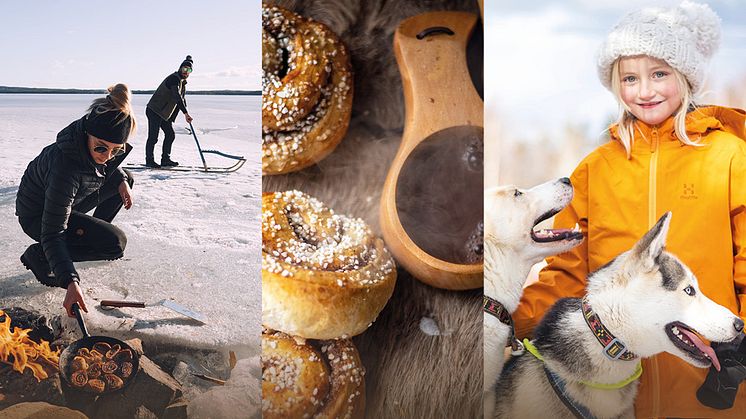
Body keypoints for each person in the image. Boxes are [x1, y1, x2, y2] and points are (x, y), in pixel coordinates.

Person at [512, 2, 746, 417]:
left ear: (685, 76)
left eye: (659, 74)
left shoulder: (729, 157)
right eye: (629, 78)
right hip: (611, 387)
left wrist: (739, 347)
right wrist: (507, 323)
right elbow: (566, 272)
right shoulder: (596, 169)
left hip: (706, 378)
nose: (645, 90)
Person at [16, 84, 136, 318]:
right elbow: (53, 231)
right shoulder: (65, 167)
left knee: (126, 178)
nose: (107, 157)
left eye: (116, 151)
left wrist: (121, 179)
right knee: (115, 244)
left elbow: (109, 165)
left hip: (68, 203)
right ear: (86, 135)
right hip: (38, 218)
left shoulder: (97, 148)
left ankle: (90, 234)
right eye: (101, 148)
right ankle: (39, 255)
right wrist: (70, 282)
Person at [144, 55, 194, 168]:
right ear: (180, 68)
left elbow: (181, 98)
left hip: (164, 113)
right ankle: (149, 160)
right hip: (154, 110)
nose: (186, 72)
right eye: (185, 69)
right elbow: (176, 96)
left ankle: (165, 159)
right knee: (153, 137)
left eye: (189, 70)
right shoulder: (174, 79)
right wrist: (185, 113)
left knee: (170, 134)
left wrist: (186, 113)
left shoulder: (181, 82)